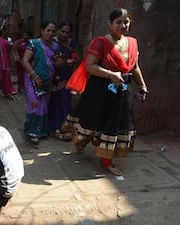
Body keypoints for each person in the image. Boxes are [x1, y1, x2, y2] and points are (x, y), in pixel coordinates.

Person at [71, 8, 148, 176]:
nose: (122, 25)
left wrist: (142, 86)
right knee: (95, 121)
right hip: (100, 90)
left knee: (117, 123)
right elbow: (90, 66)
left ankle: (106, 159)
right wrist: (111, 74)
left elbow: (134, 68)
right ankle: (83, 144)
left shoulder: (133, 43)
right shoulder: (100, 42)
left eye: (125, 22)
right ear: (110, 24)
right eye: (118, 22)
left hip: (122, 91)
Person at [21, 21, 63, 144]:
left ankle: (41, 131)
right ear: (42, 31)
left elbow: (55, 62)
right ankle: (32, 132)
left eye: (52, 31)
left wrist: (60, 63)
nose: (50, 33)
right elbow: (25, 61)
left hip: (47, 80)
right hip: (32, 80)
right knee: (34, 104)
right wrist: (35, 76)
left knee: (44, 105)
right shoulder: (34, 44)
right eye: (48, 30)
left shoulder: (55, 46)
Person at [49, 21, 78, 141]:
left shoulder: (71, 43)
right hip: (55, 76)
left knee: (65, 102)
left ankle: (65, 128)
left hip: (68, 76)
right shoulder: (53, 43)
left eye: (67, 32)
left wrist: (73, 60)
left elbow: (76, 55)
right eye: (62, 31)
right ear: (58, 31)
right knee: (55, 103)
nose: (65, 34)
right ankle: (54, 129)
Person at [0, 27, 18, 100]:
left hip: (7, 61)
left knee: (6, 77)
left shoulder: (9, 40)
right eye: (7, 30)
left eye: (8, 31)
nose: (8, 32)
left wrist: (14, 58)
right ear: (3, 31)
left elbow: (11, 51)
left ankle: (6, 92)